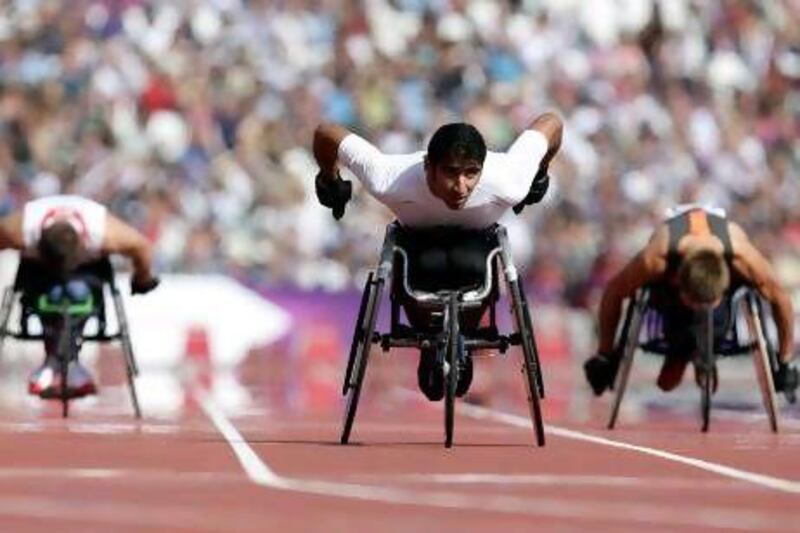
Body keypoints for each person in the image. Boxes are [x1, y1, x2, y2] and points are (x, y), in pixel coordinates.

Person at [312, 114, 563, 400]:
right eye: (450, 172)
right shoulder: (389, 177)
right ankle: (429, 343)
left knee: (472, 261)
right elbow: (325, 132)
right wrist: (330, 178)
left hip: (478, 251)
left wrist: (540, 173)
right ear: (428, 166)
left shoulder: (509, 179)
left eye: (471, 173)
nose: (461, 186)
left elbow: (552, 123)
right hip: (417, 249)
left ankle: (461, 343)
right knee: (420, 263)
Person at [584, 204, 797, 398]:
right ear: (680, 285)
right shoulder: (656, 259)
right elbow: (613, 292)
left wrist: (785, 360)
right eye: (695, 302)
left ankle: (702, 349)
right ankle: (682, 352)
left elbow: (781, 298)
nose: (700, 310)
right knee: (667, 383)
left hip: (721, 304)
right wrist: (604, 354)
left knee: (674, 373)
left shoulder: (742, 258)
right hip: (672, 302)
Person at [0, 195, 159, 399]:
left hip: (86, 271)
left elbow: (142, 246)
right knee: (49, 292)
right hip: (39, 272)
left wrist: (142, 279)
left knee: (78, 293)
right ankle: (61, 361)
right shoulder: (19, 230)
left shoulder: (103, 231)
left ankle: (61, 361)